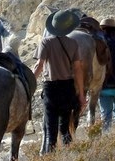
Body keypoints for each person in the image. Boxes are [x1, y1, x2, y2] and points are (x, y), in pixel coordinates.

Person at [32, 9, 86, 153]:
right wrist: (81, 95)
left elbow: (39, 65)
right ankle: (68, 160)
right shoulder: (73, 44)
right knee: (65, 129)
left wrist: (29, 84)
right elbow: (78, 69)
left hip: (50, 88)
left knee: (51, 131)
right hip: (68, 87)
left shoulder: (45, 42)